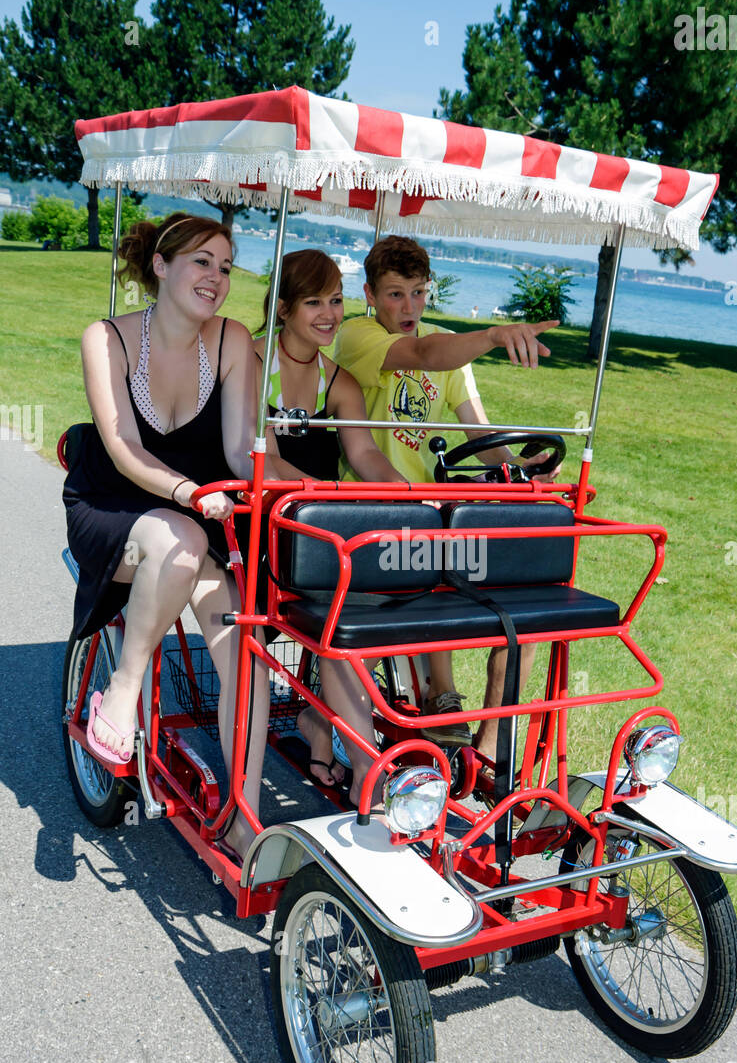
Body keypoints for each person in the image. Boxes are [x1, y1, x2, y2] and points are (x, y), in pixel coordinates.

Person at [63, 211, 267, 863]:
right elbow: (122, 447)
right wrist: (185, 493)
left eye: (227, 266)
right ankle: (121, 693)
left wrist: (328, 496)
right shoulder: (108, 338)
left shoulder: (233, 340)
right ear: (161, 265)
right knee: (178, 538)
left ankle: (243, 817)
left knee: (246, 649)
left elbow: (240, 453)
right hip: (114, 504)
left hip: (196, 516)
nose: (216, 277)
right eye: (202, 261)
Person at [333, 235, 561, 758]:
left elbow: (480, 438)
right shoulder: (357, 336)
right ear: (369, 294)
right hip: (371, 507)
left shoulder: (452, 349)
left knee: (526, 595)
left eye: (418, 292)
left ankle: (492, 738)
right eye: (394, 294)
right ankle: (439, 695)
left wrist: (519, 470)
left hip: (435, 510)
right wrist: (494, 334)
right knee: (434, 547)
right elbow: (420, 353)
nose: (409, 307)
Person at [253, 249, 405, 806]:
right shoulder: (249, 361)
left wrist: (409, 497)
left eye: (336, 300)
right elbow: (264, 462)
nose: (329, 314)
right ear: (286, 307)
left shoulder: (337, 381)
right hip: (255, 521)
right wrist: (327, 497)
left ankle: (350, 743)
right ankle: (366, 762)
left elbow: (365, 455)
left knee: (374, 596)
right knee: (338, 603)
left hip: (319, 527)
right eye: (314, 301)